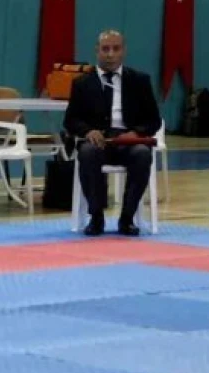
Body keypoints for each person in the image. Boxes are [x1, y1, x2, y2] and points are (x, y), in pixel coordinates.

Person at [63, 30, 162, 237]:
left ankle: (127, 218)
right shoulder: (82, 83)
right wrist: (88, 131)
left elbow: (153, 119)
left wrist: (137, 133)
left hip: (129, 140)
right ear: (97, 51)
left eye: (115, 49)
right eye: (105, 49)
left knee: (142, 154)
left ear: (123, 51)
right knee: (88, 153)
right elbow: (71, 120)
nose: (110, 54)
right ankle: (96, 216)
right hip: (99, 140)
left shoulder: (140, 81)